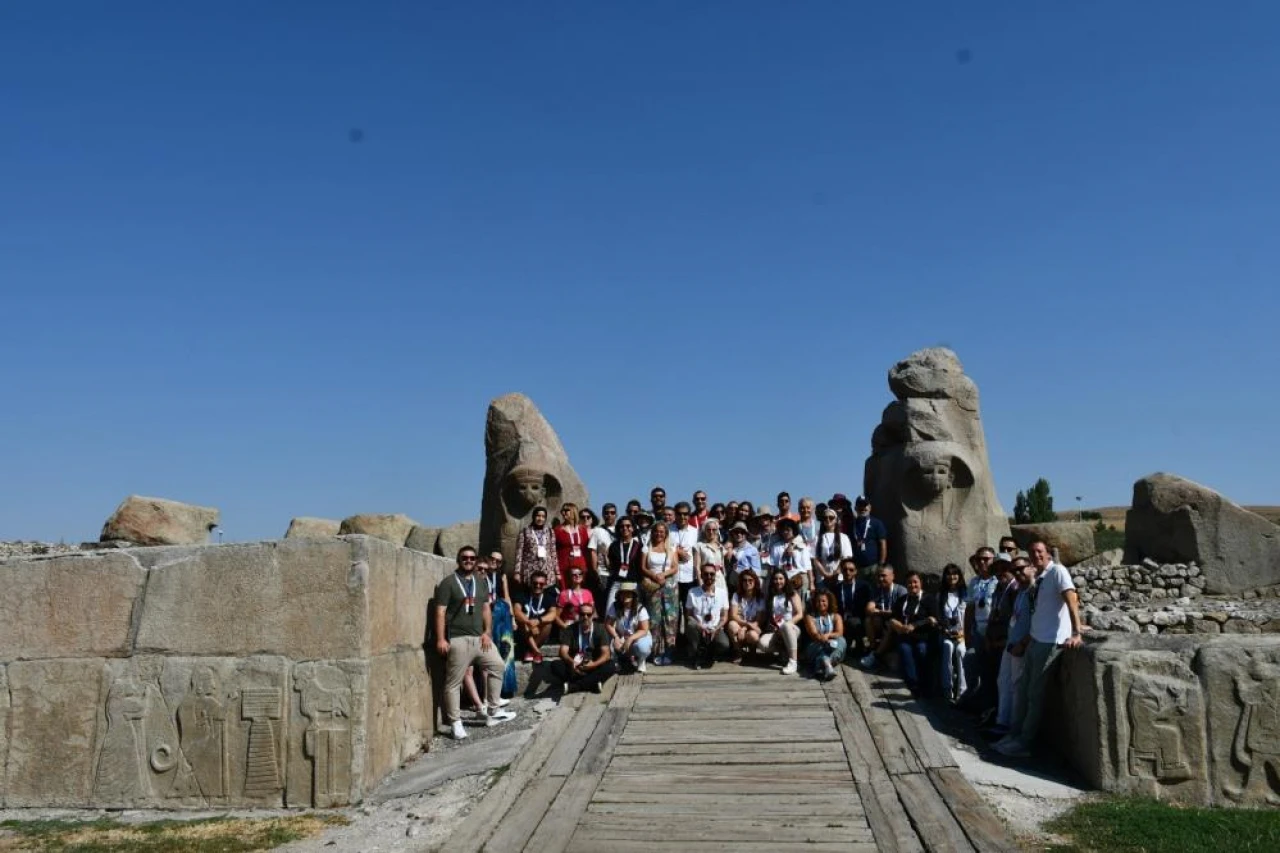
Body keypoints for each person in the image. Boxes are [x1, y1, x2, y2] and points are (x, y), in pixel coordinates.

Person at [995, 540, 1084, 758]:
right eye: (1033, 552)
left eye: (1040, 551)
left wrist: (1077, 631)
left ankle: (1025, 742)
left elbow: (1071, 599)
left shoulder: (1058, 572)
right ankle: (1014, 734)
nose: (1036, 555)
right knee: (1024, 690)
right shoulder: (1041, 579)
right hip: (1036, 640)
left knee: (1035, 694)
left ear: (1048, 554)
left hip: (1050, 642)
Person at [433, 547, 517, 740]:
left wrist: (487, 631)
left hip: (480, 637)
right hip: (458, 638)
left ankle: (493, 711)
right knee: (453, 682)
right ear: (458, 559)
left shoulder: (480, 582)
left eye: (472, 558)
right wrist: (440, 639)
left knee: (497, 665)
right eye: (465, 558)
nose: (469, 561)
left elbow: (486, 608)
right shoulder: (448, 583)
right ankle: (455, 722)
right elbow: (440, 612)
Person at [987, 558, 1035, 740]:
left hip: (1020, 645)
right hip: (1011, 643)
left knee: (1016, 685)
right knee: (1003, 681)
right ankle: (1002, 721)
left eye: (1020, 569)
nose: (1017, 573)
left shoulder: (1032, 590)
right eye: (1014, 570)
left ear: (1030, 568)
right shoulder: (1020, 591)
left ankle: (1013, 727)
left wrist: (1023, 643)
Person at [979, 554, 1019, 721]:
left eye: (1005, 568)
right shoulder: (998, 590)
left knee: (1005, 684)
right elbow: (991, 616)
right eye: (996, 570)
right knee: (992, 681)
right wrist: (988, 638)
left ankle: (1003, 720)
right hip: (993, 642)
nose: (1000, 572)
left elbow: (1017, 620)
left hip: (1005, 643)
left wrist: (1003, 641)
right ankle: (992, 714)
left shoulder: (1015, 590)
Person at [550, 602, 617, 694]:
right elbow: (563, 652)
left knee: (611, 665)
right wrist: (572, 662)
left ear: (593, 615)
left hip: (594, 664)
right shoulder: (570, 629)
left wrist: (594, 664)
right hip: (576, 666)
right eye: (582, 614)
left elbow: (606, 654)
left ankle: (575, 686)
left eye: (588, 614)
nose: (585, 617)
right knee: (555, 665)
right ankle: (593, 683)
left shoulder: (600, 629)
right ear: (578, 614)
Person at [890, 571, 938, 694]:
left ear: (921, 583)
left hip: (923, 636)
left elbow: (935, 619)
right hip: (906, 636)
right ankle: (913, 684)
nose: (912, 585)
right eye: (909, 583)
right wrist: (898, 625)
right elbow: (893, 617)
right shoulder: (902, 600)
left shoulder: (929, 599)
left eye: (915, 582)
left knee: (922, 650)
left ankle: (927, 684)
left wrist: (916, 625)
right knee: (904, 649)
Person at [961, 547, 998, 707]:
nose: (982, 562)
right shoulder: (974, 582)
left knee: (990, 670)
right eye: (979, 559)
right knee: (970, 661)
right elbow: (969, 609)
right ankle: (972, 696)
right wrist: (967, 634)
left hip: (993, 632)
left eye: (986, 559)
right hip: (977, 631)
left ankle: (987, 705)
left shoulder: (998, 580)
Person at [642, 521, 680, 666]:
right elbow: (643, 567)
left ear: (666, 533)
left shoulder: (671, 547)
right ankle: (656, 652)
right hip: (653, 585)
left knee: (670, 619)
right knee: (655, 619)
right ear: (653, 532)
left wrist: (663, 574)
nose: (659, 534)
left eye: (662, 531)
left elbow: (675, 567)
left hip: (669, 586)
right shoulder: (647, 548)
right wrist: (654, 576)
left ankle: (669, 651)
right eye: (656, 531)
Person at [859, 566, 907, 669]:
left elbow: (900, 613)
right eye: (879, 576)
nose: (880, 579)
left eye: (883, 576)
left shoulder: (901, 591)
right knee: (869, 620)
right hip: (882, 622)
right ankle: (873, 649)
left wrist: (879, 611)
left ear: (892, 576)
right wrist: (884, 612)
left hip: (896, 625)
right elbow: (869, 609)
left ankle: (876, 655)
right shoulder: (877, 590)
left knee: (891, 623)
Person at [758, 568, 804, 675]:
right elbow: (769, 615)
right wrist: (770, 625)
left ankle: (793, 662)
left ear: (785, 580)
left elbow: (800, 614)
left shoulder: (792, 594)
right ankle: (784, 651)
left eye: (781, 578)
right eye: (775, 579)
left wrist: (787, 624)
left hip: (792, 628)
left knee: (786, 627)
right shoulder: (770, 595)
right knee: (762, 644)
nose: (778, 581)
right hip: (775, 630)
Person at [684, 565, 730, 669]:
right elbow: (689, 615)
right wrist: (700, 627)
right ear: (701, 575)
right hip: (699, 627)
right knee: (691, 624)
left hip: (714, 628)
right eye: (706, 574)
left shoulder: (722, 593)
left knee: (724, 644)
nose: (709, 576)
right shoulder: (692, 592)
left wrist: (716, 629)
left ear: (715, 576)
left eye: (712, 574)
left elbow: (724, 616)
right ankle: (696, 652)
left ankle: (710, 653)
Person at [937, 563, 968, 702]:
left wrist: (963, 634)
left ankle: (962, 691)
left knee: (961, 651)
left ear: (959, 576)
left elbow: (970, 617)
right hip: (947, 633)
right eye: (948, 574)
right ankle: (947, 689)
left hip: (963, 635)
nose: (952, 577)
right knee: (947, 647)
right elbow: (938, 617)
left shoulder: (966, 594)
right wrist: (944, 629)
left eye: (955, 573)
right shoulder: (940, 595)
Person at [513, 569, 559, 663]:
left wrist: (538, 621)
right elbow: (516, 611)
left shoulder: (549, 598)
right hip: (524, 632)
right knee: (522, 622)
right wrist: (529, 623)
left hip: (540, 632)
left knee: (548, 624)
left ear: (545, 584)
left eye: (541, 584)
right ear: (530, 583)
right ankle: (537, 652)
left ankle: (530, 650)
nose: (538, 586)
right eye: (535, 583)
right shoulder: (522, 595)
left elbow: (553, 614)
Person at [606, 583, 652, 673]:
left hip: (637, 637)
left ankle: (641, 660)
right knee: (608, 641)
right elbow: (608, 624)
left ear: (633, 595)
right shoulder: (614, 606)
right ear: (619, 595)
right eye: (623, 593)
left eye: (628, 593)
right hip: (620, 635)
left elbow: (644, 629)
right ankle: (615, 661)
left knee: (643, 647)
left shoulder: (640, 608)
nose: (625, 596)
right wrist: (616, 637)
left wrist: (630, 639)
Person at [803, 589, 846, 681]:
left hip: (831, 644)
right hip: (815, 646)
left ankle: (823, 664)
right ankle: (827, 664)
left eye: (823, 601)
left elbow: (839, 632)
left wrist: (828, 635)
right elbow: (814, 634)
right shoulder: (810, 617)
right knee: (826, 646)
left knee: (842, 640)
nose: (821, 603)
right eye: (818, 601)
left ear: (829, 602)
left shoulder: (836, 616)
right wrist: (825, 640)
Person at [604, 516, 644, 614]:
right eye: (622, 526)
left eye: (628, 526)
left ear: (633, 528)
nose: (625, 528)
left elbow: (641, 566)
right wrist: (605, 557)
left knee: (633, 613)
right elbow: (611, 567)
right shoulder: (613, 545)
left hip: (633, 583)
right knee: (610, 612)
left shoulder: (639, 546)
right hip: (617, 583)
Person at [514, 507, 557, 591]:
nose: (540, 519)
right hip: (529, 569)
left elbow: (553, 552)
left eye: (543, 516)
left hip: (547, 569)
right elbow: (519, 552)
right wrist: (517, 572)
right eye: (538, 516)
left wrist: (557, 572)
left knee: (546, 594)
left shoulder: (550, 531)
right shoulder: (525, 531)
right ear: (533, 516)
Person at [726, 570, 765, 663]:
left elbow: (759, 619)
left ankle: (752, 651)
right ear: (741, 582)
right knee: (732, 625)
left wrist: (744, 629)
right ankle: (738, 652)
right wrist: (745, 626)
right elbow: (733, 615)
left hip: (754, 625)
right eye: (744, 580)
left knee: (753, 636)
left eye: (750, 580)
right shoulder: (736, 595)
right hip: (741, 623)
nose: (747, 582)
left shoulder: (760, 597)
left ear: (755, 582)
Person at [812, 508, 854, 590]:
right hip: (822, 578)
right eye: (825, 518)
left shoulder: (843, 537)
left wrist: (836, 572)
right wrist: (825, 574)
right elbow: (815, 558)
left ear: (836, 520)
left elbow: (846, 557)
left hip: (839, 577)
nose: (828, 520)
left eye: (831, 517)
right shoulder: (817, 537)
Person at [771, 518, 813, 597]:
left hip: (800, 577)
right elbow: (773, 566)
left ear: (793, 530)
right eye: (783, 530)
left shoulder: (802, 546)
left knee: (801, 605)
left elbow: (808, 566)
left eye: (788, 530)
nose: (785, 532)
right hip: (782, 579)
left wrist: (811, 583)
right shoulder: (776, 546)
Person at [670, 501, 700, 612]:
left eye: (685, 514)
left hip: (690, 577)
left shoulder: (696, 532)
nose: (682, 516)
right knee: (673, 611)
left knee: (690, 611)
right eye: (679, 514)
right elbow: (661, 547)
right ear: (675, 514)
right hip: (673, 577)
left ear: (689, 515)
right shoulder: (667, 530)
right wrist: (676, 551)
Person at [832, 558, 868, 648]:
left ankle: (860, 646)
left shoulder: (864, 586)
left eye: (851, 570)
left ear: (856, 572)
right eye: (845, 570)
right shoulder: (837, 588)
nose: (848, 572)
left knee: (854, 622)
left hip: (859, 621)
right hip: (841, 621)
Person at [554, 503, 590, 590]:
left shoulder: (582, 529)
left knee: (579, 592)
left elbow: (585, 548)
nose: (563, 513)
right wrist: (556, 571)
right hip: (564, 567)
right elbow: (553, 551)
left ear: (573, 511)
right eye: (562, 511)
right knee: (565, 592)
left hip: (580, 566)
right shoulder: (557, 530)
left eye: (566, 510)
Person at [851, 496, 889, 576]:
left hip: (873, 567)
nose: (863, 508)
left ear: (870, 507)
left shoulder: (877, 523)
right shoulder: (852, 524)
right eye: (860, 505)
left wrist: (881, 565)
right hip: (856, 568)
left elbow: (883, 544)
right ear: (855, 508)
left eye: (865, 505)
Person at [694, 519, 727, 597]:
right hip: (706, 578)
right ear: (705, 531)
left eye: (714, 530)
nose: (711, 532)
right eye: (708, 529)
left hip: (719, 579)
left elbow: (723, 566)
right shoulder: (699, 546)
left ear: (717, 531)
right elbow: (697, 567)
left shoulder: (721, 547)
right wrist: (700, 583)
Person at [725, 521, 761, 588]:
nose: (739, 534)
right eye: (736, 532)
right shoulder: (729, 548)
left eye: (742, 532)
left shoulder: (752, 550)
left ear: (746, 534)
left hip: (746, 585)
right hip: (730, 584)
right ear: (732, 534)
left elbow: (757, 571)